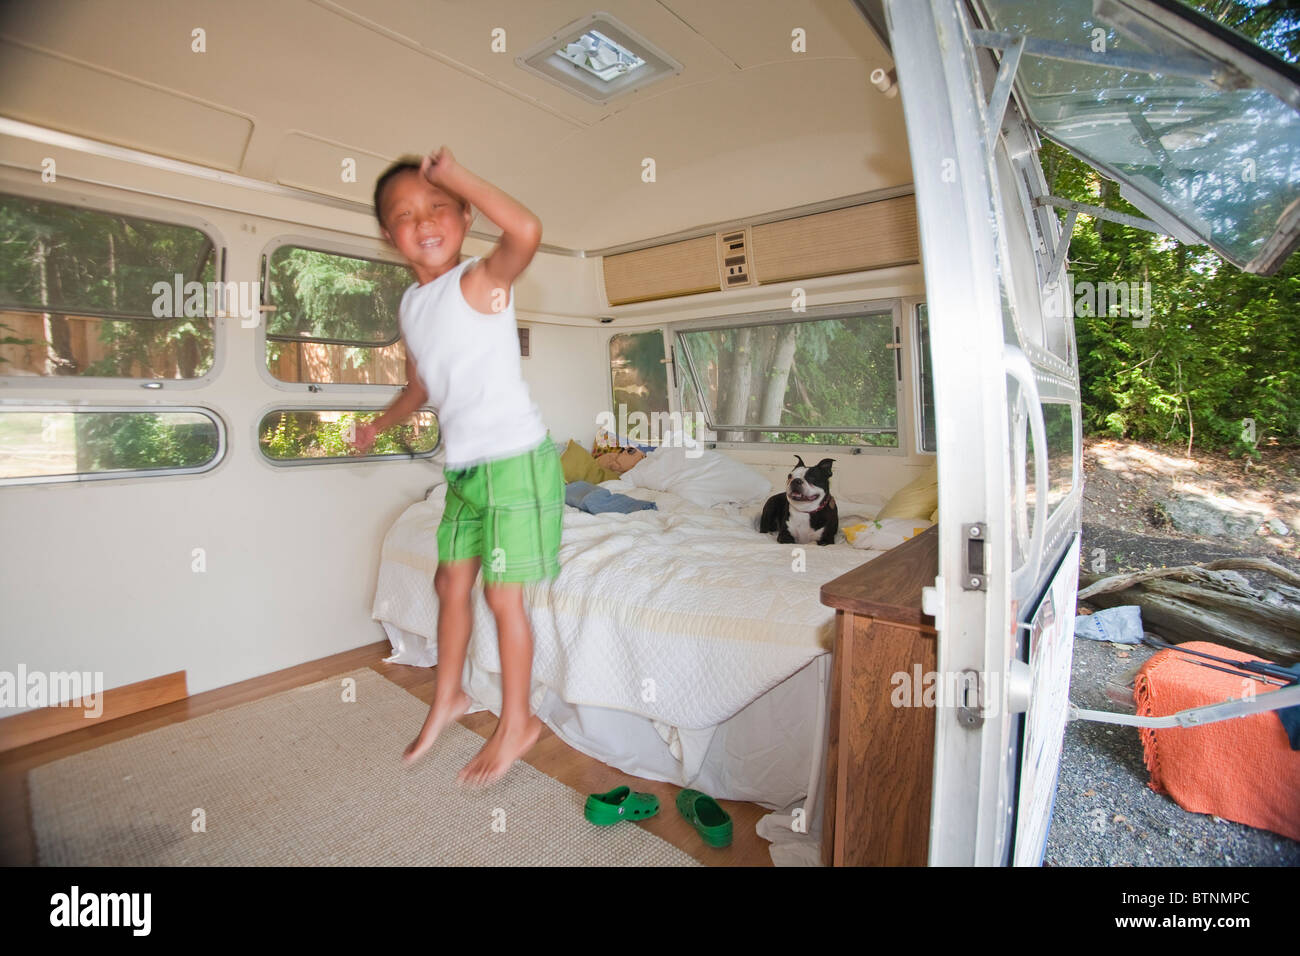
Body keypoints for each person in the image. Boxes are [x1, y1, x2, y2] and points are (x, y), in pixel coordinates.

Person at [353, 146, 563, 787]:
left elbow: (526, 230)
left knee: (502, 596)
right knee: (450, 585)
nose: (424, 220)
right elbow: (422, 386)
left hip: (518, 462)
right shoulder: (412, 308)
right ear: (391, 236)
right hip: (467, 470)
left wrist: (457, 172)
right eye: (406, 214)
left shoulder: (481, 279)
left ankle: (519, 722)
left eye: (438, 205)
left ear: (465, 215)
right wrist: (379, 426)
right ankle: (450, 696)